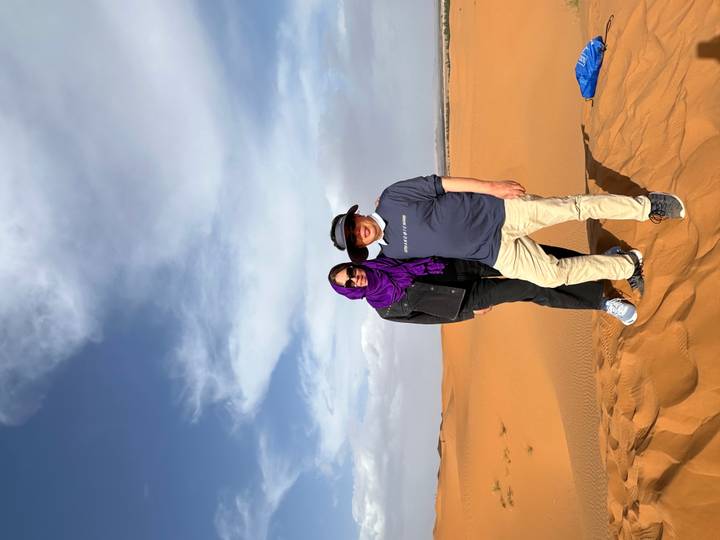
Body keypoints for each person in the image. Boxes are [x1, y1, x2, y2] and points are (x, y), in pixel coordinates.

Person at [330, 175, 686, 294]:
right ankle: (627, 265)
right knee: (551, 277)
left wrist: (493, 186)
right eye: (354, 239)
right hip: (494, 254)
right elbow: (384, 282)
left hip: (501, 212)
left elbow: (442, 183)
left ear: (357, 213)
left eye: (353, 225)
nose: (358, 232)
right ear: (360, 247)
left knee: (574, 208)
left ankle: (647, 206)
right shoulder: (392, 256)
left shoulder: (393, 197)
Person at [328, 249, 638, 325]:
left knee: (539, 259)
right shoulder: (384, 308)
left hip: (465, 263)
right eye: (350, 283)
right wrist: (469, 314)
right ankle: (602, 302)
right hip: (465, 299)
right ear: (351, 291)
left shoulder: (389, 254)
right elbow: (426, 318)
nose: (356, 278)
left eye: (352, 271)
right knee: (530, 288)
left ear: (356, 264)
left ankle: (598, 263)